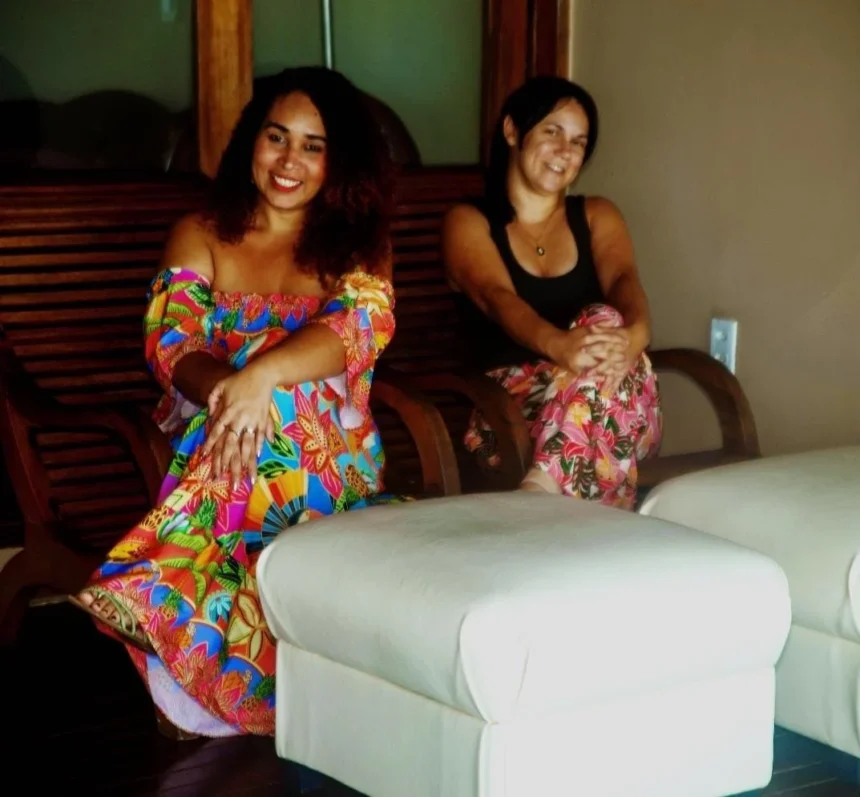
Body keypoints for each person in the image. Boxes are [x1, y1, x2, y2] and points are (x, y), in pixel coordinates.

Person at [70, 66, 402, 737]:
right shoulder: (200, 232)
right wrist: (233, 390)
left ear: (338, 160)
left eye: (313, 146)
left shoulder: (358, 242)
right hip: (215, 433)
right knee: (263, 407)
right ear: (251, 138)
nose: (289, 160)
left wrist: (262, 378)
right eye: (276, 137)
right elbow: (174, 343)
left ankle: (161, 590)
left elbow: (358, 327)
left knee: (281, 398)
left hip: (330, 455)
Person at [443, 76, 662, 509]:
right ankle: (588, 520)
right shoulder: (467, 221)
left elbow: (625, 281)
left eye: (578, 142)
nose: (565, 151)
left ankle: (540, 493)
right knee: (601, 373)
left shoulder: (598, 215)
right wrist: (561, 346)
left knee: (606, 321)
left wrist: (632, 339)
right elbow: (497, 298)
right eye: (552, 132)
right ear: (512, 131)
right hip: (506, 418)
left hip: (619, 399)